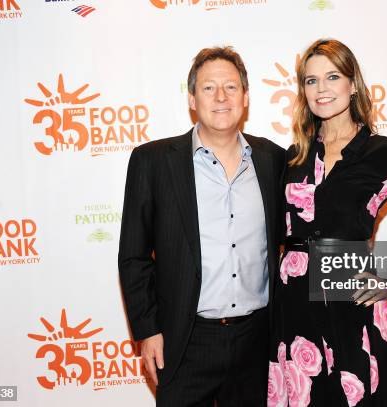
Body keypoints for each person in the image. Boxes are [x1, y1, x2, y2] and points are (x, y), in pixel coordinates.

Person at [267, 39, 387, 406]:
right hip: (294, 304)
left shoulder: (384, 154)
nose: (321, 89)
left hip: (351, 301)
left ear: (353, 85)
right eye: (311, 80)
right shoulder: (293, 157)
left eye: (332, 77)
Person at [119, 46, 285, 406]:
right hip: (185, 341)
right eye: (209, 88)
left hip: (257, 341)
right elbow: (133, 256)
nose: (221, 97)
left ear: (246, 97)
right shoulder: (153, 162)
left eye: (231, 87)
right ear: (192, 99)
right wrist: (148, 330)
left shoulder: (274, 159)